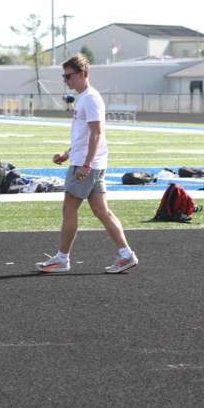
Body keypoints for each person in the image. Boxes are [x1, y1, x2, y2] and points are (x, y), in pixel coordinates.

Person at [36, 54, 139, 274]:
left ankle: (62, 259)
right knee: (102, 211)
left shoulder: (91, 98)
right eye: (64, 76)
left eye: (69, 76)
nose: (66, 80)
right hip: (87, 161)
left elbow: (96, 133)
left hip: (87, 165)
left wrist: (86, 164)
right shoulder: (84, 97)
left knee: (69, 208)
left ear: (82, 74)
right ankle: (126, 255)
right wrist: (66, 153)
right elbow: (83, 136)